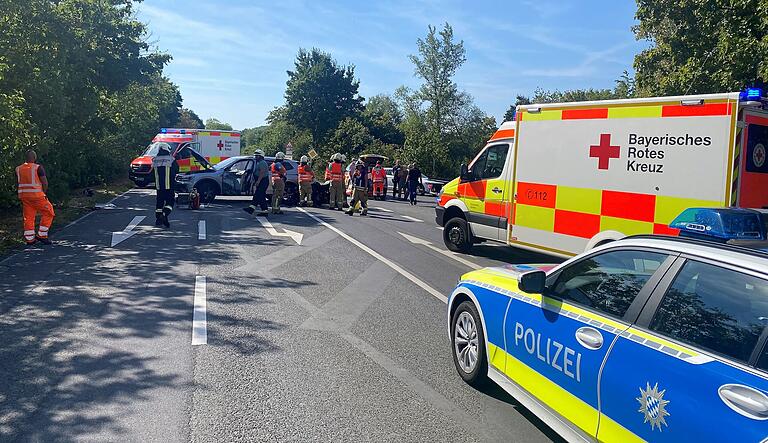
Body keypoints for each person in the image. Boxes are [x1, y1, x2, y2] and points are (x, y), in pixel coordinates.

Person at [16, 150, 55, 245]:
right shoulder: (38, 168)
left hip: (24, 197)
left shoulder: (18, 168)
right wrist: (43, 193)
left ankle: (30, 239)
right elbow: (45, 183)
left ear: (26, 158)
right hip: (37, 196)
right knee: (49, 213)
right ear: (34, 158)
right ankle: (42, 235)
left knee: (28, 217)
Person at [152, 145, 178, 228]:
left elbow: (153, 173)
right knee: (170, 201)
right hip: (169, 186)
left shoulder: (155, 160)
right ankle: (165, 213)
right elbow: (176, 169)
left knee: (159, 202)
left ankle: (158, 220)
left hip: (159, 186)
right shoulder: (171, 159)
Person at [244, 149, 269, 216]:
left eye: (257, 156)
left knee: (258, 195)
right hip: (262, 181)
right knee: (261, 196)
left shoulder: (262, 163)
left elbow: (262, 172)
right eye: (255, 156)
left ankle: (251, 209)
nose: (255, 157)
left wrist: (258, 181)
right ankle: (264, 211)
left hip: (263, 181)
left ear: (261, 156)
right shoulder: (259, 162)